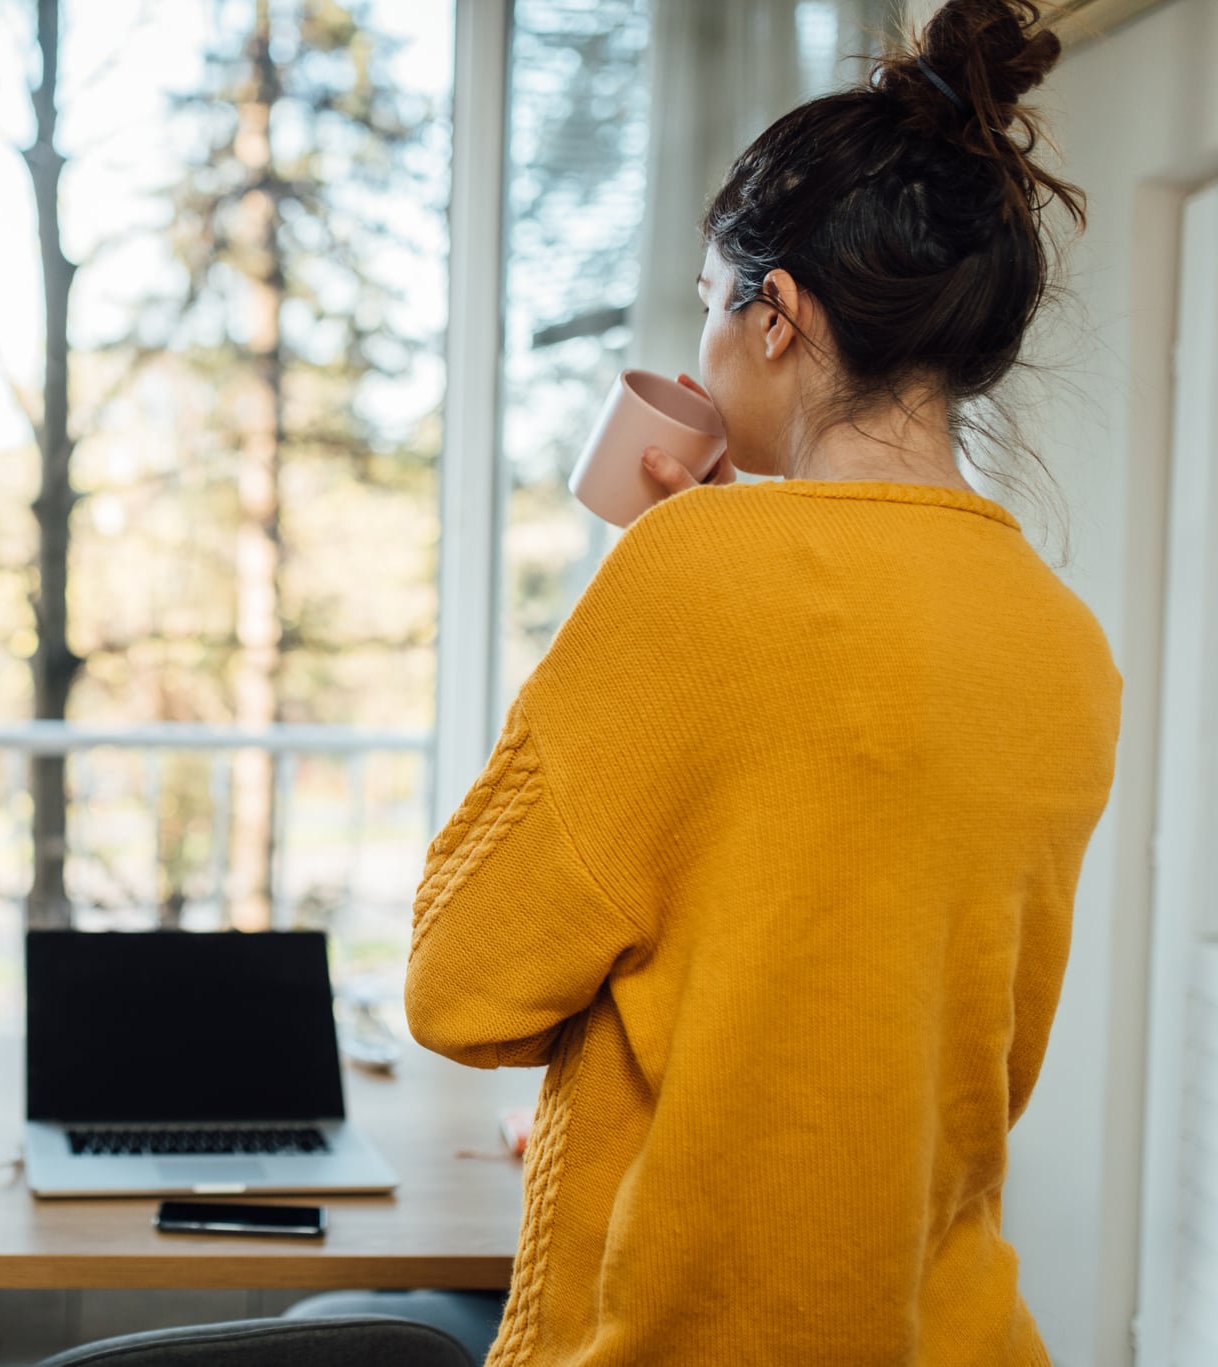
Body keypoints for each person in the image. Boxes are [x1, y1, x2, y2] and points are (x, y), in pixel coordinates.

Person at [292, 1, 1118, 1363]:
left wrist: (657, 571)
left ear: (776, 313)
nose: (702, 348)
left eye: (705, 303)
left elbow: (459, 985)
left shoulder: (690, 579)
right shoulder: (1060, 639)